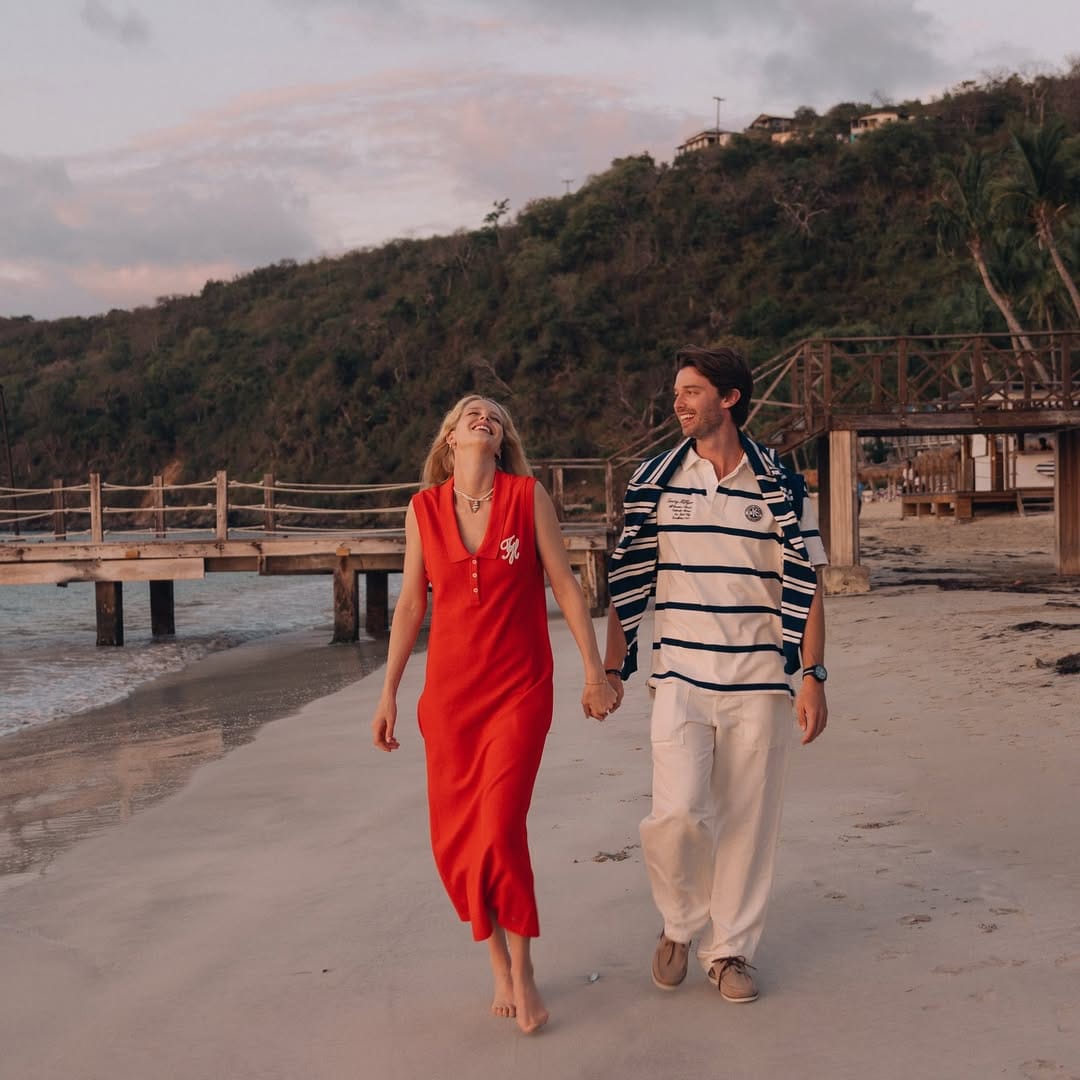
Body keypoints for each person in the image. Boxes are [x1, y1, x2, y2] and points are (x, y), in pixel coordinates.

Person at [371, 395, 617, 1035]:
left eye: (495, 416)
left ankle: (526, 967)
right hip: (449, 701)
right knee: (459, 840)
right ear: (450, 436)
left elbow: (564, 583)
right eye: (471, 413)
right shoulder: (422, 510)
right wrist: (389, 693)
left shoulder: (526, 496)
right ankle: (496, 961)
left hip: (519, 689)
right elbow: (408, 608)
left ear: (501, 439)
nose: (484, 417)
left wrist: (594, 671)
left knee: (502, 826)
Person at [602, 345, 829, 1003]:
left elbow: (806, 583)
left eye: (693, 391)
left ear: (729, 399)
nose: (679, 402)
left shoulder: (780, 482)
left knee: (748, 821)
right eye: (677, 391)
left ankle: (729, 951)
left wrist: (812, 675)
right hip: (680, 677)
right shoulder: (653, 478)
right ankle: (678, 923)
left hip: (759, 678)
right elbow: (628, 579)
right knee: (676, 815)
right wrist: (613, 668)